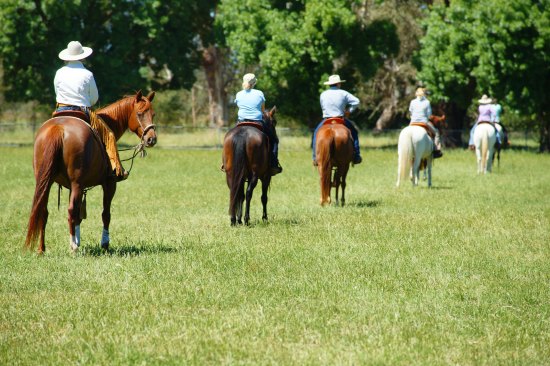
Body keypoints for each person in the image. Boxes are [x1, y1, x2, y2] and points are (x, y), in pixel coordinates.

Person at [53, 41, 128, 181]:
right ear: (82, 57)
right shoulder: (87, 74)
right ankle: (116, 169)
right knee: (109, 135)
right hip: (82, 110)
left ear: (67, 57)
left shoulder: (59, 72)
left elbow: (56, 92)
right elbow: (94, 99)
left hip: (60, 109)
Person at [234, 73, 282, 175]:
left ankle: (225, 163)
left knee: (230, 138)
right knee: (274, 140)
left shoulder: (238, 94)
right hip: (256, 122)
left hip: (241, 122)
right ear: (254, 82)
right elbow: (263, 110)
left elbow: (239, 106)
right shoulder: (259, 93)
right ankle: (273, 164)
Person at [312, 74, 362, 166]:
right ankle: (356, 155)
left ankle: (315, 157)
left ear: (329, 84)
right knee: (354, 132)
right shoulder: (344, 93)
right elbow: (357, 101)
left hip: (326, 120)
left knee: (316, 133)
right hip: (340, 119)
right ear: (338, 83)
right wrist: (349, 111)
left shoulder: (323, 94)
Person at [408, 87, 443, 158]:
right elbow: (429, 115)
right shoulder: (427, 102)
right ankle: (436, 150)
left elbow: (411, 113)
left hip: (412, 123)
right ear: (424, 94)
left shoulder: (412, 101)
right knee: (436, 133)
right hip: (423, 122)